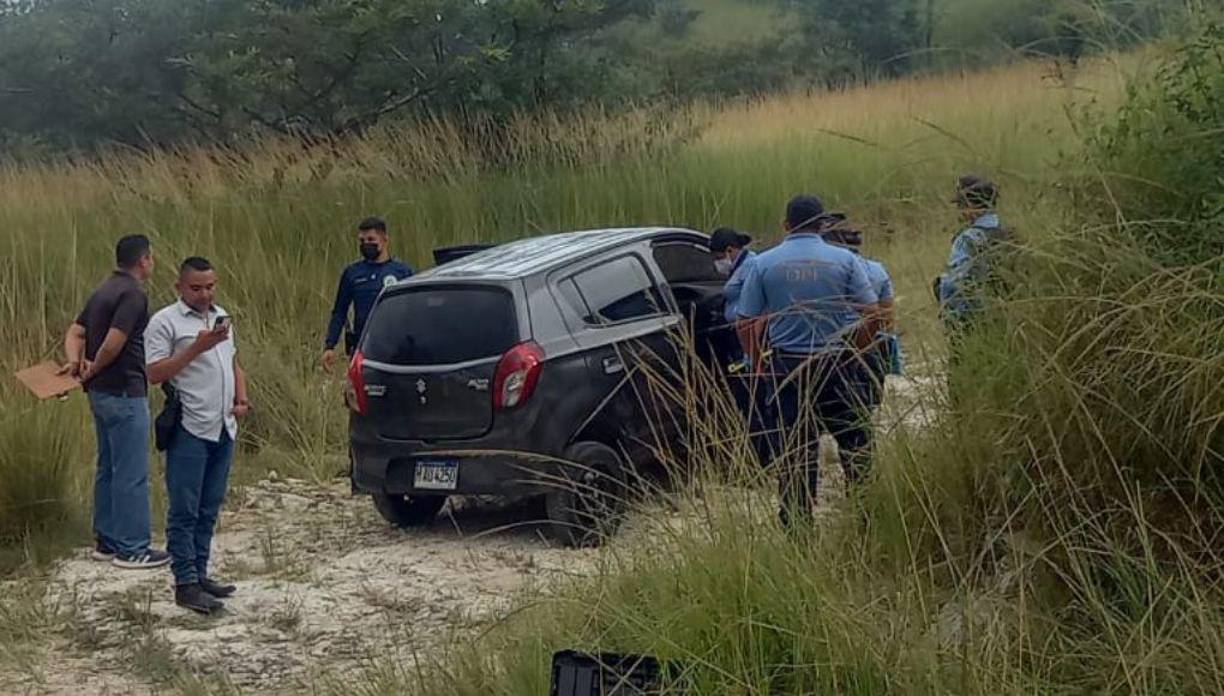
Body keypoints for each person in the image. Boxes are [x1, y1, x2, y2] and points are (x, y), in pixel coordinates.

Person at [737, 196, 882, 526]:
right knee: (856, 445)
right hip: (837, 365)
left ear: (785, 225)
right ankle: (869, 519)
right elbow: (873, 314)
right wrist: (857, 348)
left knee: (794, 453)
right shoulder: (845, 260)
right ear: (823, 225)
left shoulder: (764, 263)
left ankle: (798, 529)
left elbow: (745, 322)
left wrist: (757, 360)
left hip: (788, 369)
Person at [146, 257, 250, 614]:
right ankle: (185, 582)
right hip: (190, 425)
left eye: (209, 286)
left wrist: (241, 395)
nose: (204, 294)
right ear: (179, 287)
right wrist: (196, 347)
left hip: (223, 424)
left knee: (209, 505)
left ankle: (201, 572)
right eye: (196, 288)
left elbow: (232, 360)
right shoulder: (165, 322)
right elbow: (155, 372)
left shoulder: (220, 315)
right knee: (185, 508)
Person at [62, 234, 170, 569]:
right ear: (144, 260)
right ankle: (133, 548)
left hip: (99, 393)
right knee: (131, 471)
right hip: (124, 389)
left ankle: (106, 540)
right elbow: (114, 342)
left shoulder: (103, 289)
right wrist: (94, 365)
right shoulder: (133, 294)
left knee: (107, 466)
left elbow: (75, 332)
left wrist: (75, 362)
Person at [321, 217, 414, 373]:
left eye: (371, 239)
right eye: (362, 240)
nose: (366, 244)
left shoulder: (402, 272)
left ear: (385, 240)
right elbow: (340, 311)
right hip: (363, 346)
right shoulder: (352, 273)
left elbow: (414, 309)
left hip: (396, 345)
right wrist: (330, 345)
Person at [823, 225, 901, 410]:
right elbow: (887, 319)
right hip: (870, 348)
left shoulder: (824, 271)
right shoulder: (877, 269)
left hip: (830, 351)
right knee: (864, 414)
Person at [936, 175, 1009, 337]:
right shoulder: (1010, 233)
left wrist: (952, 322)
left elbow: (953, 286)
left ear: (969, 205)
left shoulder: (967, 239)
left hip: (973, 324)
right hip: (1009, 320)